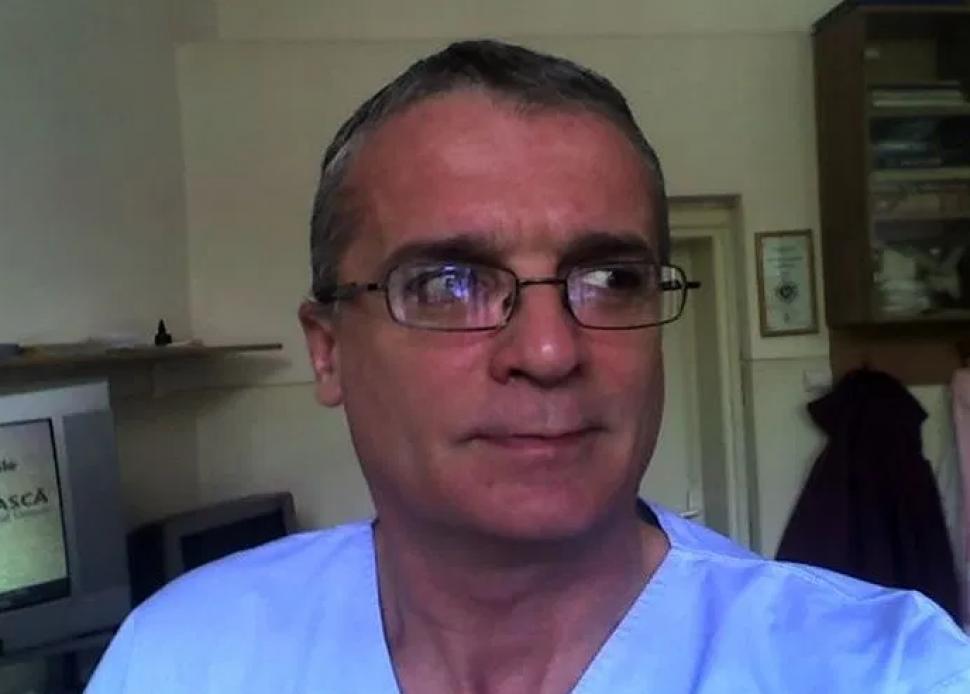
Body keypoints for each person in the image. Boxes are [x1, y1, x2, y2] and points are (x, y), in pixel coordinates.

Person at [87, 40, 970, 693]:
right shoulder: (181, 658)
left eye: (611, 279)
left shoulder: (885, 669)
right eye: (447, 283)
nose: (549, 352)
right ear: (329, 352)